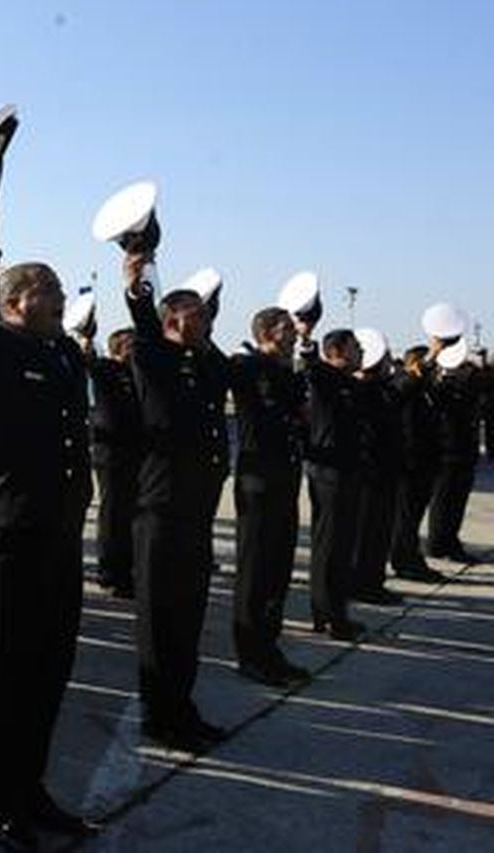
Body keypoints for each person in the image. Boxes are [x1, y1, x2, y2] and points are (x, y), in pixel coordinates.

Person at [0, 194, 96, 849]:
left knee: (48, 670)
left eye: (60, 290)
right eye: (48, 290)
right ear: (14, 302)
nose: (61, 298)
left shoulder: (62, 353)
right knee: (6, 674)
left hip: (59, 533)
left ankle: (32, 787)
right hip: (11, 534)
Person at [121, 250, 231, 753]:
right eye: (198, 313)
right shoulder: (154, 357)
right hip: (162, 509)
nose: (208, 320)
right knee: (161, 620)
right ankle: (159, 715)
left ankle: (181, 707)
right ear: (171, 320)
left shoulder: (204, 364)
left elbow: (220, 369)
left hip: (195, 510)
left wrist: (203, 332)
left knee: (188, 617)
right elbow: (147, 334)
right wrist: (138, 288)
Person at [225, 307, 310, 686]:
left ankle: (269, 647)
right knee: (256, 571)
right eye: (287, 328)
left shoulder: (283, 370)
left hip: (284, 479)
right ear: (266, 332)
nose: (294, 333)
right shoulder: (248, 366)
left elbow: (298, 409)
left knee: (278, 569)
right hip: (258, 481)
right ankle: (251, 654)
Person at [299, 325, 367, 640]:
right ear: (337, 352)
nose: (362, 352)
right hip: (330, 475)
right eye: (356, 347)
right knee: (330, 545)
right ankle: (327, 615)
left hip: (349, 471)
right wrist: (306, 340)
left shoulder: (351, 384)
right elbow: (312, 368)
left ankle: (335, 612)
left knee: (342, 546)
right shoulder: (325, 378)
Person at [89, 328, 142, 598]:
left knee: (132, 514)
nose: (137, 350)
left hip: (137, 453)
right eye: (132, 345)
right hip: (112, 455)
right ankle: (110, 572)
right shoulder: (106, 370)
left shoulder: (138, 375)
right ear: (119, 348)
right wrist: (87, 335)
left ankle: (130, 568)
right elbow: (88, 359)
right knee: (114, 515)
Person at [352, 344, 405, 605]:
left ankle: (374, 581)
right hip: (370, 472)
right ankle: (364, 584)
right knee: (368, 532)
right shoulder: (362, 390)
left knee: (381, 531)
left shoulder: (383, 389)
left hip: (385, 470)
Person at [389, 346, 446, 582]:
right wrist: (429, 358)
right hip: (410, 462)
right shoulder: (403, 383)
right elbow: (404, 388)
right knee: (406, 517)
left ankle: (411, 557)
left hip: (425, 461)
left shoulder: (426, 388)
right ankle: (405, 561)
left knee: (413, 517)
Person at [426, 346, 481, 563]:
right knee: (444, 501)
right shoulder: (442, 388)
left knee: (456, 502)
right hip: (447, 453)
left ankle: (450, 541)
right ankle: (438, 544)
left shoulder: (466, 386)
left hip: (464, 453)